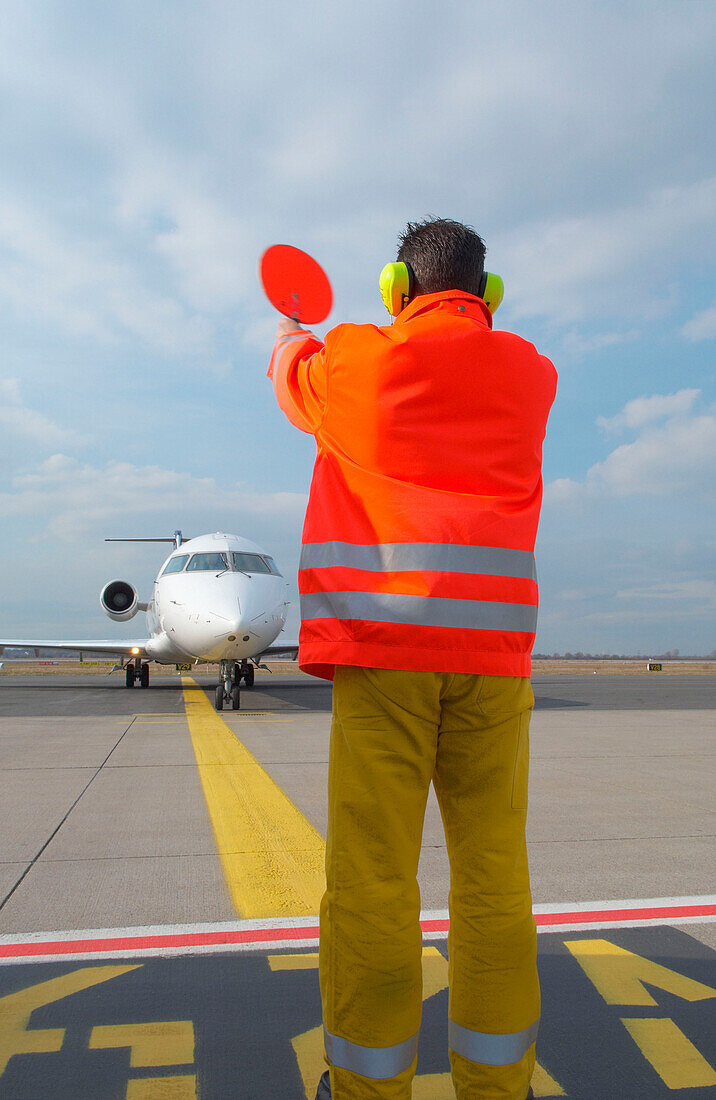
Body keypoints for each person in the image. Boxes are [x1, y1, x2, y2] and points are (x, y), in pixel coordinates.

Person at [267, 218, 557, 1100]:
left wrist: (289, 333)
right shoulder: (532, 375)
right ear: (489, 293)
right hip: (494, 665)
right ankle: (496, 1087)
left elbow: (291, 376)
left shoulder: (357, 361)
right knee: (495, 881)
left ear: (398, 288)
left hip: (386, 656)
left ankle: (368, 1087)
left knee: (374, 882)